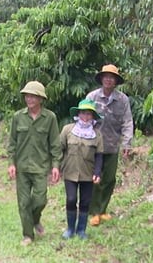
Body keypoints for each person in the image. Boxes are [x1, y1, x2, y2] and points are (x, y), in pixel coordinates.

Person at [7, 81, 61, 246]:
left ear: (40, 99)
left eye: (33, 96)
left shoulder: (50, 118)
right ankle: (28, 235)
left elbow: (55, 144)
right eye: (27, 96)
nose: (29, 99)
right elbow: (12, 143)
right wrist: (11, 163)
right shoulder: (18, 117)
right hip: (22, 167)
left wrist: (55, 166)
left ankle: (35, 219)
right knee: (23, 202)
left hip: (40, 166)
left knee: (40, 200)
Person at [86, 64, 134, 227]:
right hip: (93, 145)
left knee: (109, 179)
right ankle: (94, 212)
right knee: (94, 179)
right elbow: (83, 118)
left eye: (111, 77)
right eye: (105, 76)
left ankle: (103, 209)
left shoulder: (122, 100)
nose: (108, 79)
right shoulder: (92, 97)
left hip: (112, 145)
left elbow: (127, 122)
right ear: (101, 79)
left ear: (115, 81)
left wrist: (127, 143)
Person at [59, 99, 104, 240]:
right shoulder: (68, 130)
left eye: (89, 114)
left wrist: (97, 172)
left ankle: (81, 230)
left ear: (93, 117)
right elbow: (59, 149)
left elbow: (99, 156)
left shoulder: (97, 134)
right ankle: (70, 229)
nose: (86, 117)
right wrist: (56, 168)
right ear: (78, 114)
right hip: (70, 171)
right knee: (71, 199)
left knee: (85, 202)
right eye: (83, 113)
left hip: (88, 174)